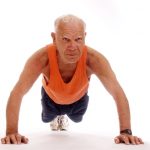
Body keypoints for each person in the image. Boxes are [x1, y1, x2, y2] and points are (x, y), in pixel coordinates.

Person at [1, 14, 144, 145]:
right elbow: (18, 92)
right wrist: (11, 132)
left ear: (84, 37)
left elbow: (117, 92)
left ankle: (64, 118)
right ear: (54, 38)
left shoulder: (94, 60)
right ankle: (56, 118)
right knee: (46, 118)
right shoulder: (41, 59)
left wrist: (126, 132)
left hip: (78, 99)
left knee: (77, 118)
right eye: (65, 39)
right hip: (50, 98)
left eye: (78, 39)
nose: (73, 47)